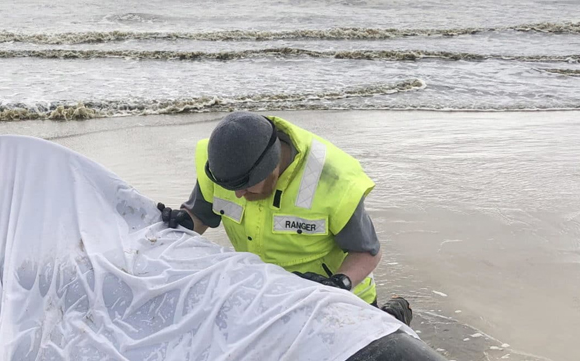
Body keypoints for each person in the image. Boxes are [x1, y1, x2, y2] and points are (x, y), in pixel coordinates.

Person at [160, 112, 411, 325]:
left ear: (274, 166)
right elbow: (200, 215)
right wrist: (181, 222)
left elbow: (368, 252)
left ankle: (395, 311)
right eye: (232, 186)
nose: (238, 194)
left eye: (247, 186)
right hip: (268, 296)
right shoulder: (223, 164)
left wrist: (337, 285)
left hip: (342, 297)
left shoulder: (334, 181)